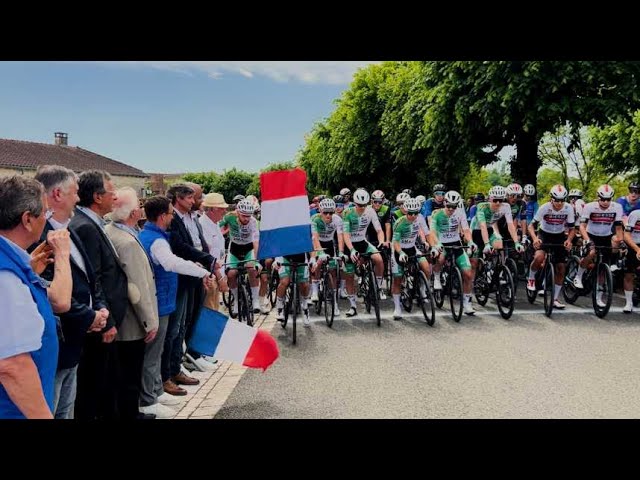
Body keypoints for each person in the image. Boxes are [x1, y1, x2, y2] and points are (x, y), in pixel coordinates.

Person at [31, 165, 107, 419]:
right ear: (57, 194)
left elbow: (90, 276)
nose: (78, 198)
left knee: (66, 409)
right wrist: (89, 316)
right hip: (57, 340)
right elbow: (49, 291)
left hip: (75, 339)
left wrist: (99, 308)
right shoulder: (38, 238)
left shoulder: (69, 229)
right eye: (74, 192)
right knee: (50, 409)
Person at [0, 175, 71, 419]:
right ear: (28, 220)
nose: (47, 220)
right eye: (45, 214)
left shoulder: (12, 267)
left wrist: (27, 269)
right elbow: (11, 365)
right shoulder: (6, 276)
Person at [139, 196, 215, 414]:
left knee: (158, 350)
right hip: (160, 301)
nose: (173, 217)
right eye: (171, 213)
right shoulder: (157, 240)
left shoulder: (152, 235)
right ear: (163, 216)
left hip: (163, 300)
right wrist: (202, 271)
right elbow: (171, 263)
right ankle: (149, 399)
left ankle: (155, 391)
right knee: (153, 353)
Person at [69, 170, 128, 420]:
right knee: (95, 386)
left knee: (106, 382)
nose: (115, 196)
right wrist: (108, 323)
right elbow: (95, 278)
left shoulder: (95, 223)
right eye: (111, 191)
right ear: (96, 196)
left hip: (104, 317)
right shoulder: (85, 226)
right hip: (100, 322)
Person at [105, 187, 160, 420]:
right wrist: (149, 322)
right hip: (131, 322)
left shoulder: (111, 231)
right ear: (132, 213)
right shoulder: (126, 242)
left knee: (121, 372)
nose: (140, 209)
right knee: (129, 371)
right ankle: (130, 414)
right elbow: (137, 288)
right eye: (137, 205)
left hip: (121, 318)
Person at [526, 185, 575, 309]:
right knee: (539, 257)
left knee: (561, 268)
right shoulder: (544, 208)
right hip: (544, 234)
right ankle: (531, 278)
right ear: (551, 198)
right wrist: (535, 238)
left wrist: (569, 240)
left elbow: (572, 228)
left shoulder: (568, 208)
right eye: (556, 200)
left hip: (559, 235)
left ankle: (555, 299)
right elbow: (531, 226)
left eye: (562, 200)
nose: (559, 203)